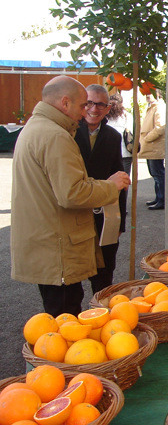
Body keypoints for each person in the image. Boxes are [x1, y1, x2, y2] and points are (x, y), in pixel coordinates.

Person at [10, 76, 130, 316]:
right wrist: (110, 186)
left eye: (97, 105)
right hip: (57, 245)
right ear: (65, 103)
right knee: (65, 314)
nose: (86, 111)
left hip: (49, 240)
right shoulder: (55, 135)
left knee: (61, 310)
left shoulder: (36, 127)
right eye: (84, 105)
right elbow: (72, 193)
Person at [75, 84, 127, 294]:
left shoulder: (113, 137)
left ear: (108, 108)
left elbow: (120, 179)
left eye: (100, 105)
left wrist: (120, 221)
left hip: (104, 214)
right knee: (73, 275)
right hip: (75, 211)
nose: (94, 109)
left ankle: (101, 307)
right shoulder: (67, 133)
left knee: (104, 273)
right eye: (89, 103)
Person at [139, 94, 165, 210]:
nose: (147, 95)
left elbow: (160, 127)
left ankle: (162, 200)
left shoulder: (159, 107)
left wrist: (147, 138)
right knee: (155, 174)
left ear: (157, 94)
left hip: (154, 147)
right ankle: (158, 198)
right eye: (146, 93)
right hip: (151, 147)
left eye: (150, 92)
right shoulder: (152, 106)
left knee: (158, 174)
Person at [106, 93, 133, 175]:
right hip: (123, 153)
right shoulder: (127, 116)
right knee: (123, 177)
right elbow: (131, 132)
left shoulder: (106, 116)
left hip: (116, 153)